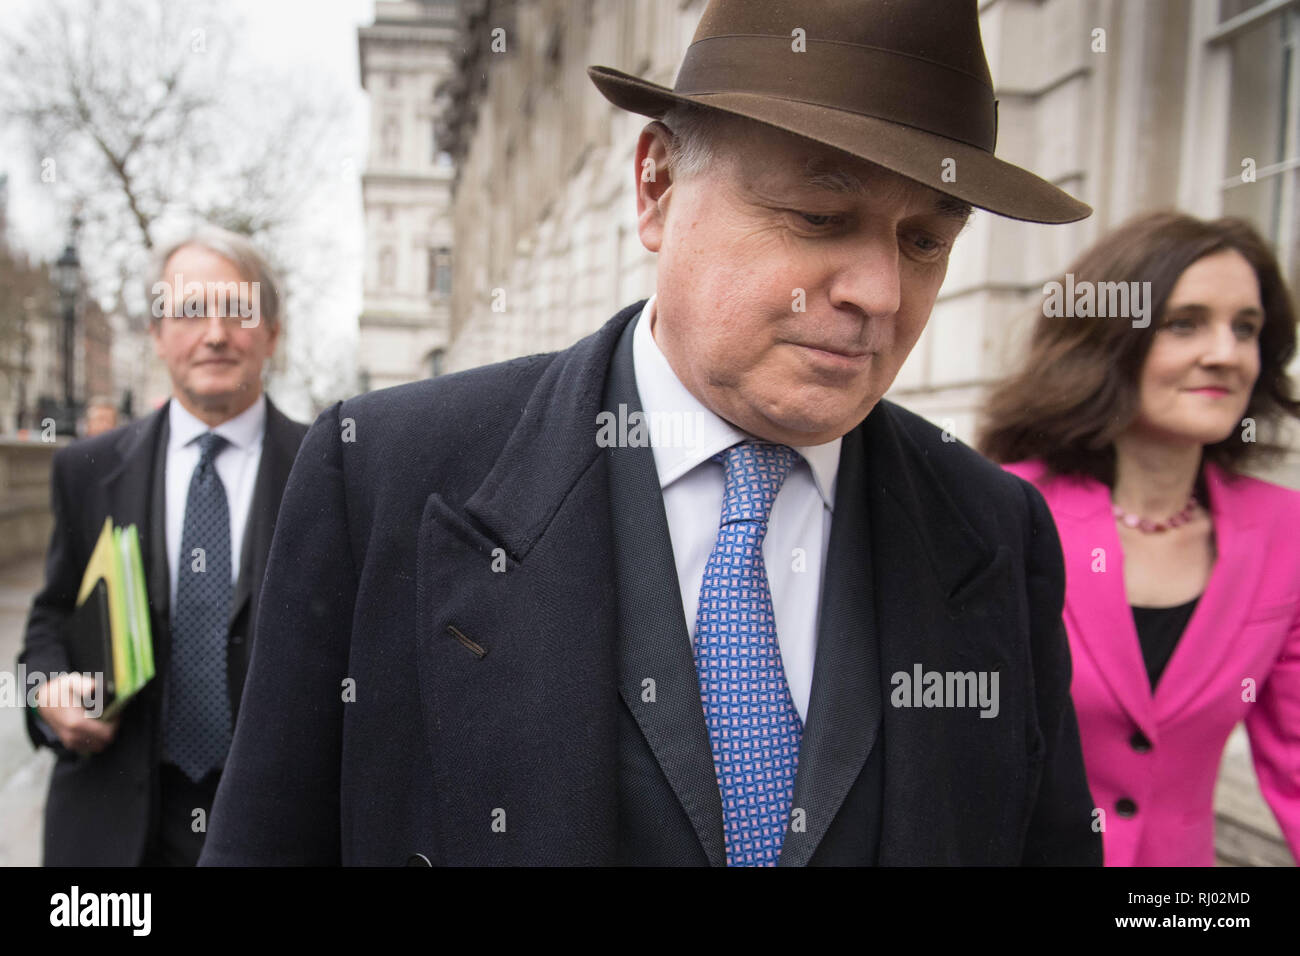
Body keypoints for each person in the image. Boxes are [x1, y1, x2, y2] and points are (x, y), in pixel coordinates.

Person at [201, 0, 1101, 866]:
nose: (879, 292)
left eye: (923, 243)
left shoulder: (994, 533)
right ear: (658, 186)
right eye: (820, 217)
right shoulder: (386, 476)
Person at [979, 211, 1300, 866]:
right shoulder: (999, 511)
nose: (1227, 353)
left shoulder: (1286, 532)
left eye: (1247, 328)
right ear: (1109, 340)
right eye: (1185, 323)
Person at [18, 226, 309, 866]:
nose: (214, 332)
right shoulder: (86, 470)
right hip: (113, 830)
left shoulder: (329, 473)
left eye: (237, 310)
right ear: (156, 333)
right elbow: (52, 617)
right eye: (189, 310)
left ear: (273, 332)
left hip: (277, 832)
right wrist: (45, 694)